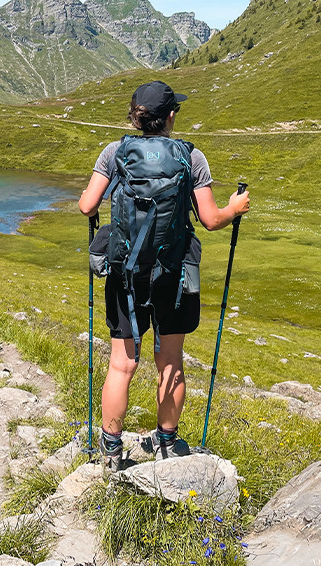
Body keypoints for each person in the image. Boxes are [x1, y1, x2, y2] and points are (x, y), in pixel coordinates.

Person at [78, 81, 249, 470]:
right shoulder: (192, 156)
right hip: (173, 275)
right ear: (171, 116)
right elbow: (209, 220)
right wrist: (234, 208)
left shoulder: (115, 151)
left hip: (125, 274)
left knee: (121, 364)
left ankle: (110, 447)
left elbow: (87, 205)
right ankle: (168, 444)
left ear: (136, 116)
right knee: (170, 360)